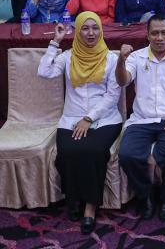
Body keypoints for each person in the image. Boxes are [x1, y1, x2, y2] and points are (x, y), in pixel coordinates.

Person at [38, 12, 122, 234]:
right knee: (67, 152)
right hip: (71, 118)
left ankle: (90, 207)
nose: (91, 33)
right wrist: (55, 42)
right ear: (77, 32)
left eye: (95, 28)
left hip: (104, 119)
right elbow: (44, 72)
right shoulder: (68, 57)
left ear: (101, 31)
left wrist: (89, 118)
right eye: (85, 28)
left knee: (94, 152)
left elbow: (112, 96)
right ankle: (73, 198)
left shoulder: (111, 59)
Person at [116, 14, 165, 221]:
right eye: (155, 33)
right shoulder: (136, 58)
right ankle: (145, 196)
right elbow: (123, 81)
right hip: (141, 119)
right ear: (147, 35)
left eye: (164, 33)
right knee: (127, 155)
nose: (159, 38)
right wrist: (120, 61)